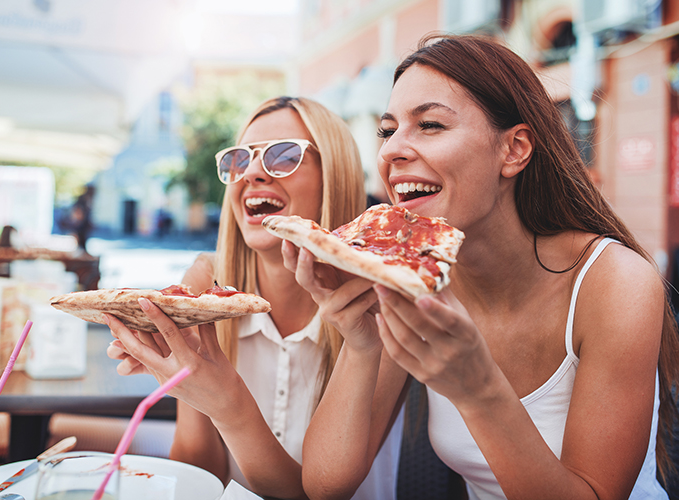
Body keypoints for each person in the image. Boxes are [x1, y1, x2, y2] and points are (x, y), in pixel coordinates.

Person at [284, 34, 679, 500]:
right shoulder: (409, 280)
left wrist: (479, 390)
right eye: (388, 131)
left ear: (514, 150)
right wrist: (362, 342)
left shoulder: (616, 282)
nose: (391, 152)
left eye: (429, 125)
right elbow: (326, 485)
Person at [105, 96, 406, 499]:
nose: (253, 173)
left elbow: (321, 495)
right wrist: (185, 386)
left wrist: (229, 405)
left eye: (284, 156)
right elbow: (196, 478)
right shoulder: (203, 284)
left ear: (335, 175)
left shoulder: (383, 302)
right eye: (239, 160)